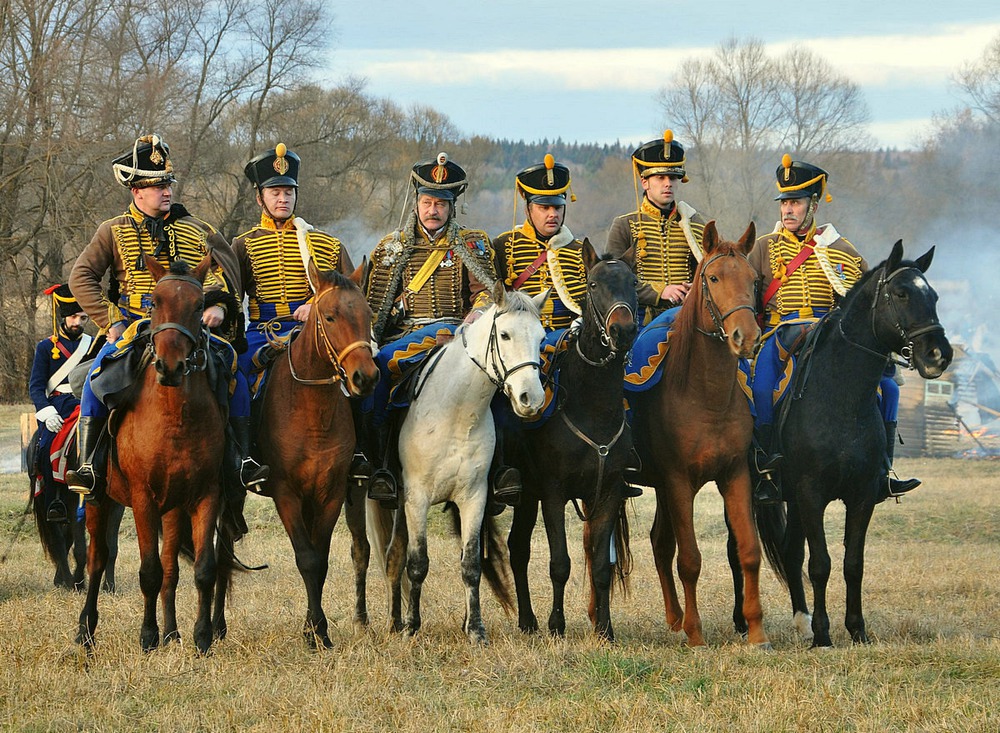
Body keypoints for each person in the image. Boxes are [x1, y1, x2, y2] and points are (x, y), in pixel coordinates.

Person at [66, 134, 268, 505]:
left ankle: (243, 459)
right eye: (156, 185)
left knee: (233, 371)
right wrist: (109, 320)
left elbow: (221, 276)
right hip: (133, 325)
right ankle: (90, 465)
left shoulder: (196, 229)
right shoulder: (112, 230)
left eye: (168, 182)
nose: (166, 190)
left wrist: (219, 306)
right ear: (136, 191)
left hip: (189, 328)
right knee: (97, 377)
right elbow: (81, 277)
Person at [748, 155, 919, 503]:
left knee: (890, 388)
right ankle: (766, 467)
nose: (787, 210)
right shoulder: (764, 247)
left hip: (832, 336)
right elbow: (747, 298)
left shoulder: (844, 251)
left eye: (795, 202)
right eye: (784, 202)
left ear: (813, 204)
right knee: (762, 386)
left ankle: (881, 471)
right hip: (781, 334)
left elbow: (866, 307)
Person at [494, 155, 641, 497]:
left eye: (557, 206)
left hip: (569, 340)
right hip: (520, 346)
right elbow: (494, 299)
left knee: (617, 386)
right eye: (543, 206)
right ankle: (502, 467)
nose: (552, 214)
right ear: (528, 206)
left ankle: (622, 458)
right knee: (497, 401)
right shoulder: (505, 245)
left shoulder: (580, 251)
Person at [363, 153, 500, 506]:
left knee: (498, 383)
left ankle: (499, 469)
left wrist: (477, 315)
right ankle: (378, 464)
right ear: (417, 203)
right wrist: (398, 310)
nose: (433, 210)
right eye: (427, 202)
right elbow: (375, 310)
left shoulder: (472, 242)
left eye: (441, 203)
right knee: (376, 372)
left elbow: (486, 291)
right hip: (405, 337)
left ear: (451, 207)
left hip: (459, 334)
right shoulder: (391, 247)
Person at [606, 130, 708, 324]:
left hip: (688, 316)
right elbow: (614, 281)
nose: (668, 184)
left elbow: (708, 272)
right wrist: (661, 291)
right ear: (645, 182)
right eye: (660, 178)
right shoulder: (624, 225)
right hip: (640, 317)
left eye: (673, 177)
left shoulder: (694, 223)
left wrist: (694, 290)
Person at [29, 284, 95, 522]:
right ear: (63, 317)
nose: (78, 322)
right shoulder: (46, 347)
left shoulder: (92, 343)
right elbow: (36, 386)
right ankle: (55, 498)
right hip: (57, 407)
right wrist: (46, 413)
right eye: (74, 317)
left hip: (86, 401)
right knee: (46, 445)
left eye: (83, 317)